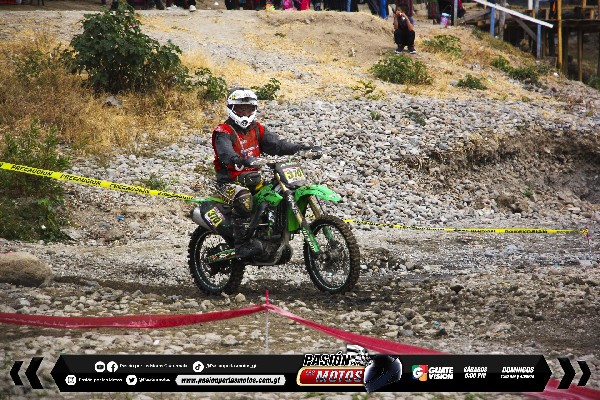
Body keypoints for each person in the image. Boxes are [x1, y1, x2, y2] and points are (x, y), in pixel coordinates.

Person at [211, 88, 311, 259]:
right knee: (244, 198)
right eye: (240, 109)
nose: (245, 113)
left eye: (249, 108)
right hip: (228, 183)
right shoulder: (223, 131)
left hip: (253, 181)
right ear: (231, 108)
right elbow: (225, 153)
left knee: (277, 194)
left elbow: (277, 145)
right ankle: (242, 245)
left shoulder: (257, 129)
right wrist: (239, 159)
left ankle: (271, 236)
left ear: (254, 109)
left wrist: (301, 148)